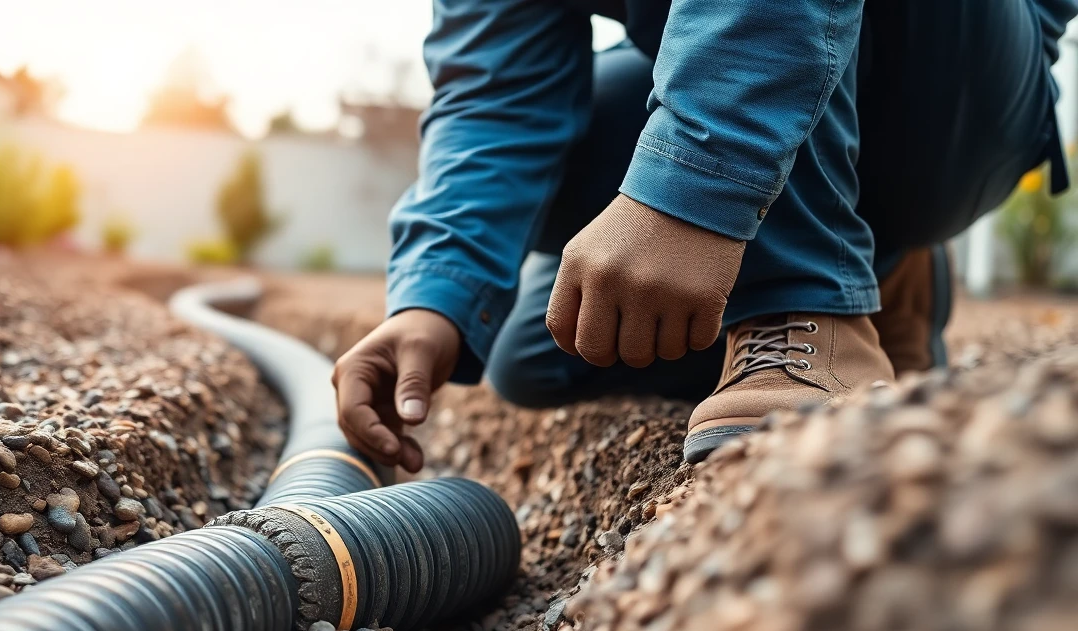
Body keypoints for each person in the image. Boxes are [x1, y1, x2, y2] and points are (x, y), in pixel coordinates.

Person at [332, 0, 1078, 471]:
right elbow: (495, 96)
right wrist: (434, 298)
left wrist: (686, 192)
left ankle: (810, 305)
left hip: (954, 81)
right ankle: (883, 267)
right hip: (808, 72)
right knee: (543, 353)